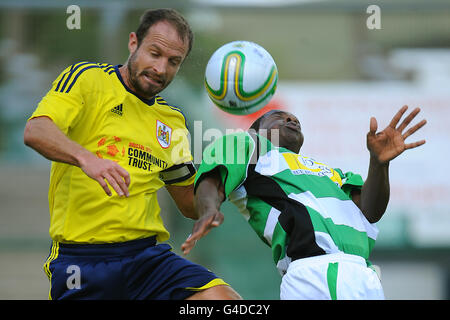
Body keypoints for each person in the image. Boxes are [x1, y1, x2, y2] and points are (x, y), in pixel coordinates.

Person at [23, 8, 241, 300]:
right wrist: (87, 159)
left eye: (173, 62)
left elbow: (188, 201)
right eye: (155, 53)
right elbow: (36, 131)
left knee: (221, 299)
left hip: (148, 260)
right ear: (133, 43)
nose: (161, 69)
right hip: (82, 262)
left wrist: (212, 201)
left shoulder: (172, 121)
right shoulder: (87, 80)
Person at [182, 106, 426, 299]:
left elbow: (370, 212)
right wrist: (208, 209)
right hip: (314, 272)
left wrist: (379, 163)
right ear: (255, 130)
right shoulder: (253, 148)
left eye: (295, 119)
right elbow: (213, 178)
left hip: (365, 275)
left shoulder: (333, 174)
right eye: (278, 117)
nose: (291, 120)